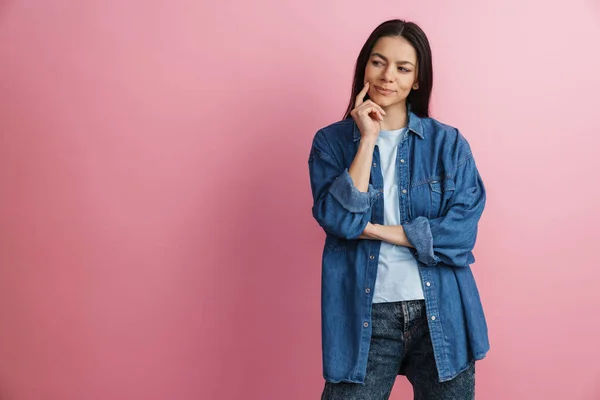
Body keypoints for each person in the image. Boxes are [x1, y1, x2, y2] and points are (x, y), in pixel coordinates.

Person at [308, 19, 488, 400]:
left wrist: (373, 230)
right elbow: (339, 220)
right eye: (379, 62)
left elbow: (460, 234)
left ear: (417, 80)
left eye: (403, 68)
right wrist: (368, 139)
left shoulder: (448, 144)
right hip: (364, 316)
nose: (388, 76)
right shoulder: (331, 143)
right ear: (364, 67)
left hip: (440, 311)